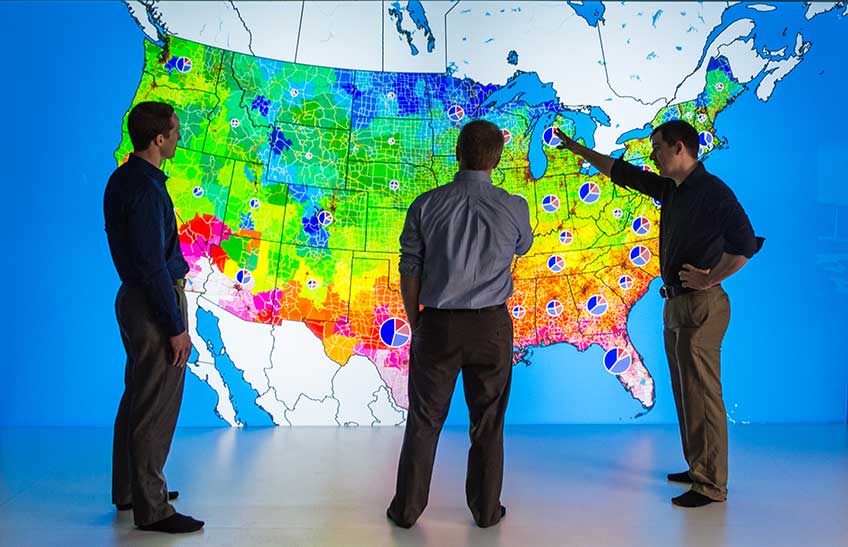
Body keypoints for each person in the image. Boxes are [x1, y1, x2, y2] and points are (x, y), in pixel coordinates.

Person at [554, 121, 763, 507]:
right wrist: (579, 151)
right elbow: (624, 174)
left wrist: (709, 278)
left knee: (703, 395)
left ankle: (712, 484)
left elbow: (746, 244)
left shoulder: (713, 192)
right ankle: (698, 467)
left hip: (703, 305)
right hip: (676, 305)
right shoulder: (673, 190)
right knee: (686, 394)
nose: (652, 155)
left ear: (679, 148)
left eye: (657, 147)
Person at [386, 120, 534, 528]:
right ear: (498, 158)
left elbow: (410, 265)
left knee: (424, 421)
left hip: (437, 325)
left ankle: (406, 511)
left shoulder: (426, 204)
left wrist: (416, 321)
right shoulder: (515, 206)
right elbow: (523, 246)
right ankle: (486, 513)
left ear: (457, 152)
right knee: (487, 424)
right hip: (491, 327)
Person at [104, 101, 204, 532]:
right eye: (175, 131)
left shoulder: (124, 179)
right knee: (153, 407)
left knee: (136, 400)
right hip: (153, 303)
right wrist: (176, 327)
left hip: (136, 299)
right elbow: (151, 265)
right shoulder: (145, 190)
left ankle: (131, 491)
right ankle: (153, 509)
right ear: (158, 139)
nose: (179, 138)